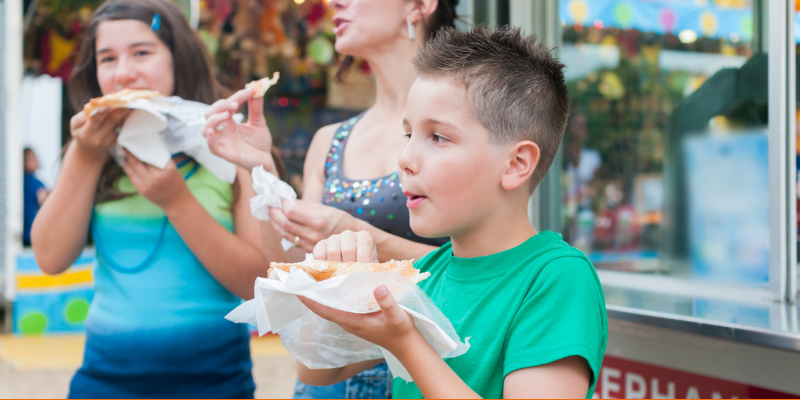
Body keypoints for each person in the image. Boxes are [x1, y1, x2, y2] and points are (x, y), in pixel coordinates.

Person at [293, 27, 608, 399]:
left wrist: (406, 344)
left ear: (516, 164)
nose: (405, 159)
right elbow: (317, 368)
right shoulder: (426, 274)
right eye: (408, 135)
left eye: (438, 137)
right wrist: (337, 281)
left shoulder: (557, 278)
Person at [202, 0, 458, 397]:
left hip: (426, 377)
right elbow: (292, 276)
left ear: (419, 5)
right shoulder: (331, 140)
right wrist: (263, 173)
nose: (335, 2)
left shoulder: (459, 131)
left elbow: (478, 266)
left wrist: (357, 231)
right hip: (326, 378)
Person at [30, 0, 279, 397]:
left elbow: (260, 283)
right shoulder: (93, 150)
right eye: (107, 58)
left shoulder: (233, 147)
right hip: (103, 380)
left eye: (142, 53)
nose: (124, 73)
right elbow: (50, 258)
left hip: (215, 381)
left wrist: (177, 203)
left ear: (178, 59)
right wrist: (86, 154)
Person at [23, 147, 48, 246]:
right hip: (33, 234)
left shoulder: (18, 180)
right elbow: (46, 202)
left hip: (24, 234)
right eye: (33, 158)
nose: (37, 161)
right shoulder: (35, 183)